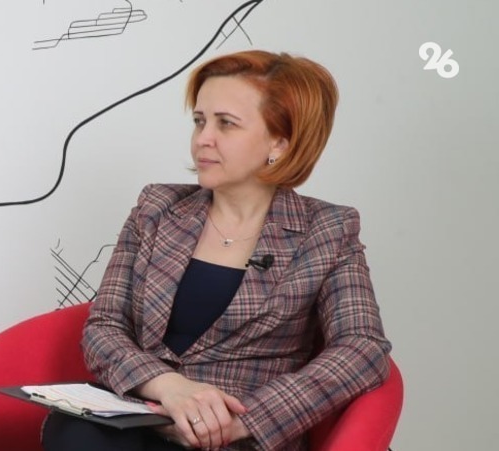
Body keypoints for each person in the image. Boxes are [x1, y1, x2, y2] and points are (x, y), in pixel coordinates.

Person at [41, 50, 392, 451]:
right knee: (75, 433)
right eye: (199, 121)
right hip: (141, 415)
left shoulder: (328, 230)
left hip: (232, 435)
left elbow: (362, 348)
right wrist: (169, 387)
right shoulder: (157, 207)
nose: (203, 139)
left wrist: (242, 422)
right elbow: (104, 325)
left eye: (226, 123)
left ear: (279, 142)